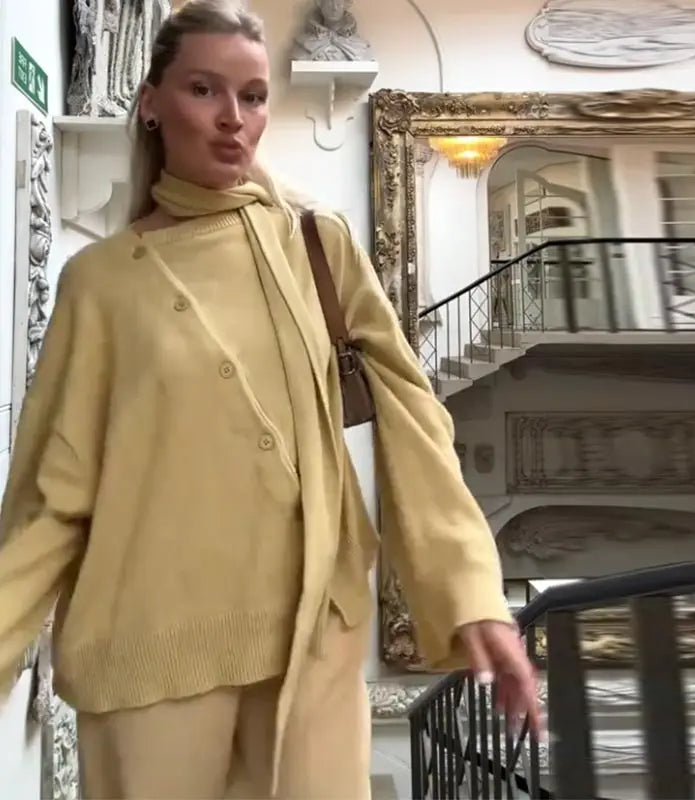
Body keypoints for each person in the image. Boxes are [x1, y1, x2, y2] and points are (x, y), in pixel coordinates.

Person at [0, 1, 538, 797]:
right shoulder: (101, 282)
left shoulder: (318, 243)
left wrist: (471, 594)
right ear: (151, 104)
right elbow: (54, 493)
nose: (233, 118)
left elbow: (413, 418)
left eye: (252, 96)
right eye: (204, 90)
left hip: (313, 642)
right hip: (149, 656)